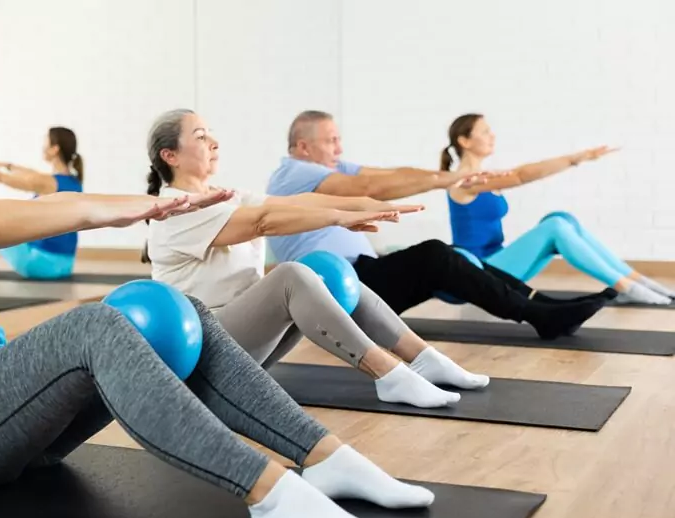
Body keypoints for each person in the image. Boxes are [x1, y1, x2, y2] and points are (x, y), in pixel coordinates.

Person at [0, 77, 440, 518]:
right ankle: (269, 492)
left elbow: (51, 202)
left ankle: (329, 459)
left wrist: (145, 207)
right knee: (95, 322)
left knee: (179, 309)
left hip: (12, 424)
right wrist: (118, 214)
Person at [144, 109, 490, 409]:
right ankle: (388, 375)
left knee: (324, 267)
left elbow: (293, 203)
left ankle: (424, 358)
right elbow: (263, 222)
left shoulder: (223, 197)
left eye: (211, 135)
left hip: (244, 337)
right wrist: (340, 218)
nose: (214, 143)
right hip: (205, 351)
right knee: (290, 276)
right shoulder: (176, 210)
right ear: (170, 155)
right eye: (201, 137)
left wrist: (362, 205)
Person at [265, 110, 613, 340]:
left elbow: (386, 174)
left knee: (446, 254)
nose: (339, 147)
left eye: (339, 139)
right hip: (336, 289)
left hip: (359, 276)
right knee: (434, 254)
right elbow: (369, 188)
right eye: (331, 141)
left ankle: (548, 307)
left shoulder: (325, 167)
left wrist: (446, 175)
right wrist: (444, 181)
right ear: (303, 146)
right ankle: (539, 314)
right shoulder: (296, 172)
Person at [443, 113, 672, 305]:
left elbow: (517, 173)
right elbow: (521, 175)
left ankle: (636, 280)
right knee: (554, 227)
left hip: (498, 265)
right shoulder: (464, 182)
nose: (492, 136)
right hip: (476, 274)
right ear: (464, 141)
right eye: (484, 131)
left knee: (561, 218)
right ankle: (625, 287)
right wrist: (575, 158)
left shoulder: (485, 178)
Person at [0, 127, 84, 279]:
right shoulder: (74, 182)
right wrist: (6, 165)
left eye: (45, 143)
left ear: (54, 149)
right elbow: (31, 174)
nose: (43, 147)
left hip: (41, 265)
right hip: (65, 266)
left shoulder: (48, 183)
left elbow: (0, 178)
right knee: (7, 225)